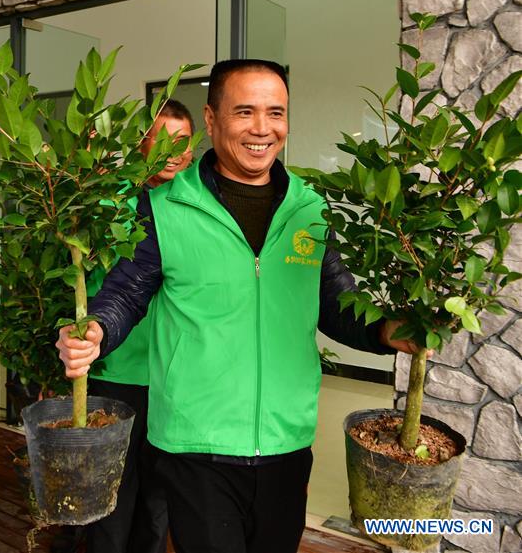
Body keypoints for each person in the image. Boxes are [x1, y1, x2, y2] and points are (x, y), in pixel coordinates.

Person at [56, 60, 423, 553]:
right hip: (196, 445)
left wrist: (386, 332)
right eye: (244, 112)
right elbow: (127, 289)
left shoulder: (310, 209)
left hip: (285, 441)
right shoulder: (167, 205)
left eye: (276, 112)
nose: (261, 129)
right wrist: (97, 330)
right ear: (211, 120)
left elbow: (335, 303)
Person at [83, 99, 194, 553]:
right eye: (162, 139)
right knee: (110, 494)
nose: (173, 151)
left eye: (183, 142)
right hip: (113, 372)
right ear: (140, 142)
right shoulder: (104, 201)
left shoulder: (194, 205)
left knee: (157, 500)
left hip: (173, 377)